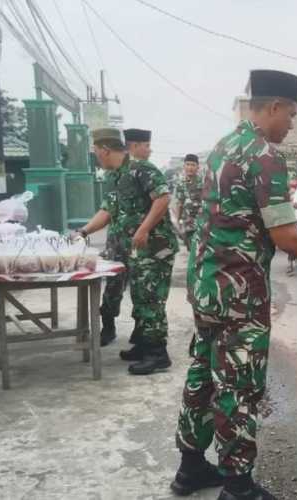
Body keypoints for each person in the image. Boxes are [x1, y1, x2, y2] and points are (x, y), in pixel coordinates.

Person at [173, 69, 297, 499]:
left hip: (206, 286)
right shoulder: (264, 155)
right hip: (239, 291)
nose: (292, 123)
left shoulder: (222, 148)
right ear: (273, 107)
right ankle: (238, 487)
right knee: (239, 384)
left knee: (203, 371)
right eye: (292, 114)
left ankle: (190, 468)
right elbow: (286, 235)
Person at [74, 128, 178, 375]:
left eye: (96, 151)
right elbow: (107, 210)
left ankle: (157, 354)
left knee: (151, 300)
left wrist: (142, 230)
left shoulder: (142, 168)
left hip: (154, 249)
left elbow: (162, 198)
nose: (95, 156)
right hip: (133, 251)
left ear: (105, 149)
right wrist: (83, 231)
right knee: (140, 298)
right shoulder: (114, 176)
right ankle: (143, 346)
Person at [170, 153, 203, 251]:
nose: (190, 167)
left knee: (202, 250)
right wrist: (178, 220)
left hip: (202, 221)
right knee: (191, 250)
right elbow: (180, 203)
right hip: (187, 222)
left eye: (193, 165)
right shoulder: (181, 183)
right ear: (184, 166)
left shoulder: (204, 181)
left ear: (198, 167)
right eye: (188, 164)